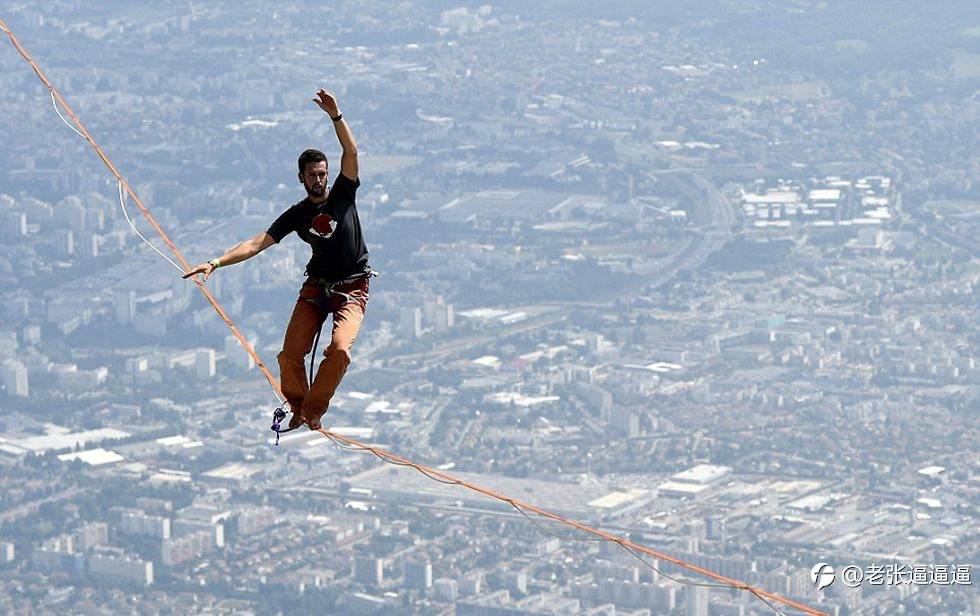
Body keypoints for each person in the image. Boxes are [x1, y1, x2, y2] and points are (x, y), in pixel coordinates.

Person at [183, 89, 372, 431]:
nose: (319, 179)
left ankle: (314, 410)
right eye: (312, 175)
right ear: (301, 178)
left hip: (353, 286)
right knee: (289, 355)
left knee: (341, 349)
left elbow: (351, 151)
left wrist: (336, 116)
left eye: (322, 173)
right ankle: (298, 407)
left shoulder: (344, 193)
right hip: (317, 287)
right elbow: (257, 243)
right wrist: (215, 262)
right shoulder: (297, 215)